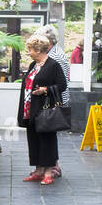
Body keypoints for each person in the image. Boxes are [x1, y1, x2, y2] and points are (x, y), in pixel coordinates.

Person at [19, 32, 67, 186]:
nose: (29, 52)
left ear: (38, 50)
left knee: (47, 139)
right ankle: (38, 170)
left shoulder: (53, 65)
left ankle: (48, 172)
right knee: (33, 138)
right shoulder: (34, 65)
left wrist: (45, 90)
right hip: (31, 108)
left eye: (31, 49)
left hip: (45, 109)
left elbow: (62, 85)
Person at [40, 25, 71, 178]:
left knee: (50, 134)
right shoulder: (52, 52)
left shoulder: (56, 56)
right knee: (49, 134)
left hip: (54, 101)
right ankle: (53, 164)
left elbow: (62, 83)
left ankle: (54, 166)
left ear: (48, 41)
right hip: (52, 99)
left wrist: (45, 90)